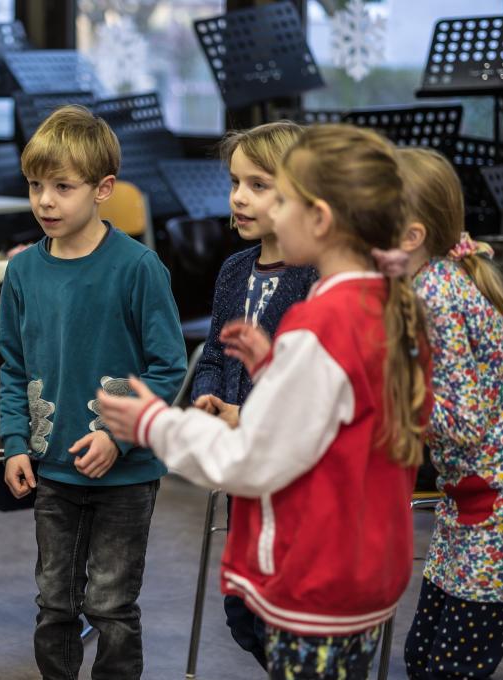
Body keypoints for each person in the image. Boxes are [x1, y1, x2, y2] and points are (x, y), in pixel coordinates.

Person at [98, 124, 432, 680]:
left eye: (285, 198)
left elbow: (249, 462)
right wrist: (275, 368)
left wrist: (155, 423)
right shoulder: (380, 303)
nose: (265, 209)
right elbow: (339, 411)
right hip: (364, 569)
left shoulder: (320, 328)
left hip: (316, 579)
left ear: (319, 219)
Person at [0, 105, 187, 680]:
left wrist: (115, 438)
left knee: (110, 606)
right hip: (53, 471)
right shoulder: (23, 272)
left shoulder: (138, 268)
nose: (46, 201)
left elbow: (168, 368)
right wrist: (13, 444)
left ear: (103, 189)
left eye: (62, 187)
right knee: (54, 603)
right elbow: (11, 367)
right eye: (35, 186)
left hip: (125, 477)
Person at [395, 147, 503, 679]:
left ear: (410, 236)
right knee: (423, 657)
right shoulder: (421, 284)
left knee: (450, 667)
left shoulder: (436, 297)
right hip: (472, 490)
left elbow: (460, 420)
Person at [190, 120, 317, 669]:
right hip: (246, 465)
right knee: (244, 612)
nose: (239, 197)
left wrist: (253, 414)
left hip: (299, 474)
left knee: (291, 607)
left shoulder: (318, 276)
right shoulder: (234, 270)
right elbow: (215, 355)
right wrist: (208, 400)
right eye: (235, 182)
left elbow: (307, 377)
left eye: (258, 185)